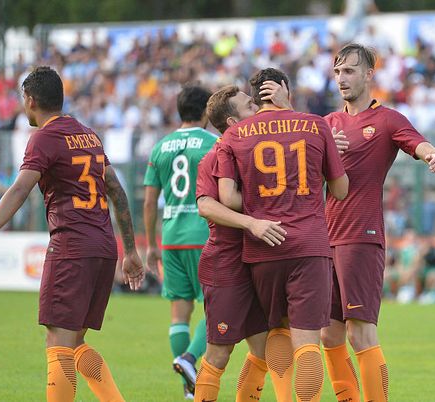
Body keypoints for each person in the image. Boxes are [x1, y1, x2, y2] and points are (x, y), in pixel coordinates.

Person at [0, 66, 144, 402]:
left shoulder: (43, 138)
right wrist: (129, 251)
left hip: (71, 248)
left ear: (30, 100)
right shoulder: (88, 135)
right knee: (75, 343)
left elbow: (19, 190)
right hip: (103, 249)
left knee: (58, 343)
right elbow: (116, 189)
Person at [216, 67, 349, 402]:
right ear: (284, 90)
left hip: (263, 247)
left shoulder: (236, 134)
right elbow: (341, 189)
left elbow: (227, 199)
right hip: (309, 244)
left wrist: (263, 202)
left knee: (277, 332)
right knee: (307, 344)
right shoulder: (316, 125)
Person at [321, 43, 435, 402]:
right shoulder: (327, 124)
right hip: (323, 238)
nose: (342, 79)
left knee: (361, 332)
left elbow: (418, 144)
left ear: (369, 74)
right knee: (330, 335)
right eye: (338, 72)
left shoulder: (387, 119)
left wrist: (432, 153)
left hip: (361, 234)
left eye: (350, 71)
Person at [193, 83, 294, 401]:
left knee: (265, 352)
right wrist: (251, 222)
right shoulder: (214, 157)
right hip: (226, 265)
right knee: (219, 353)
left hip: (257, 264)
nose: (259, 109)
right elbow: (206, 205)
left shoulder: (261, 152)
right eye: (251, 106)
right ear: (234, 123)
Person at [143, 85, 217, 398]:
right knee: (215, 311)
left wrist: (150, 244)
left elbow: (149, 202)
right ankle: (189, 359)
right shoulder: (214, 143)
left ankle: (187, 388)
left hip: (171, 238)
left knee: (179, 314)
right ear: (206, 112)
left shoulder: (160, 147)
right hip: (204, 235)